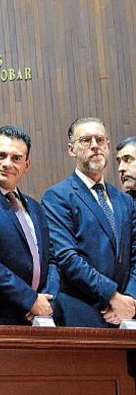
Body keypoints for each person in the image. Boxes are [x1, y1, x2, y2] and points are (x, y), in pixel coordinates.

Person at [43, 117, 136, 327]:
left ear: (108, 146)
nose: (95, 146)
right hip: (81, 313)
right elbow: (68, 258)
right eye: (86, 140)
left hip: (126, 316)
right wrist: (113, 297)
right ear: (71, 149)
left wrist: (129, 299)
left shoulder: (125, 200)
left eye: (100, 140)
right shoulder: (58, 196)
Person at [0, 126, 59, 325]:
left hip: (40, 316)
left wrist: (46, 300)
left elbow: (52, 259)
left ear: (26, 164)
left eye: (16, 158)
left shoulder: (36, 208)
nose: (7, 164)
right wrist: (29, 300)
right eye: (1, 155)